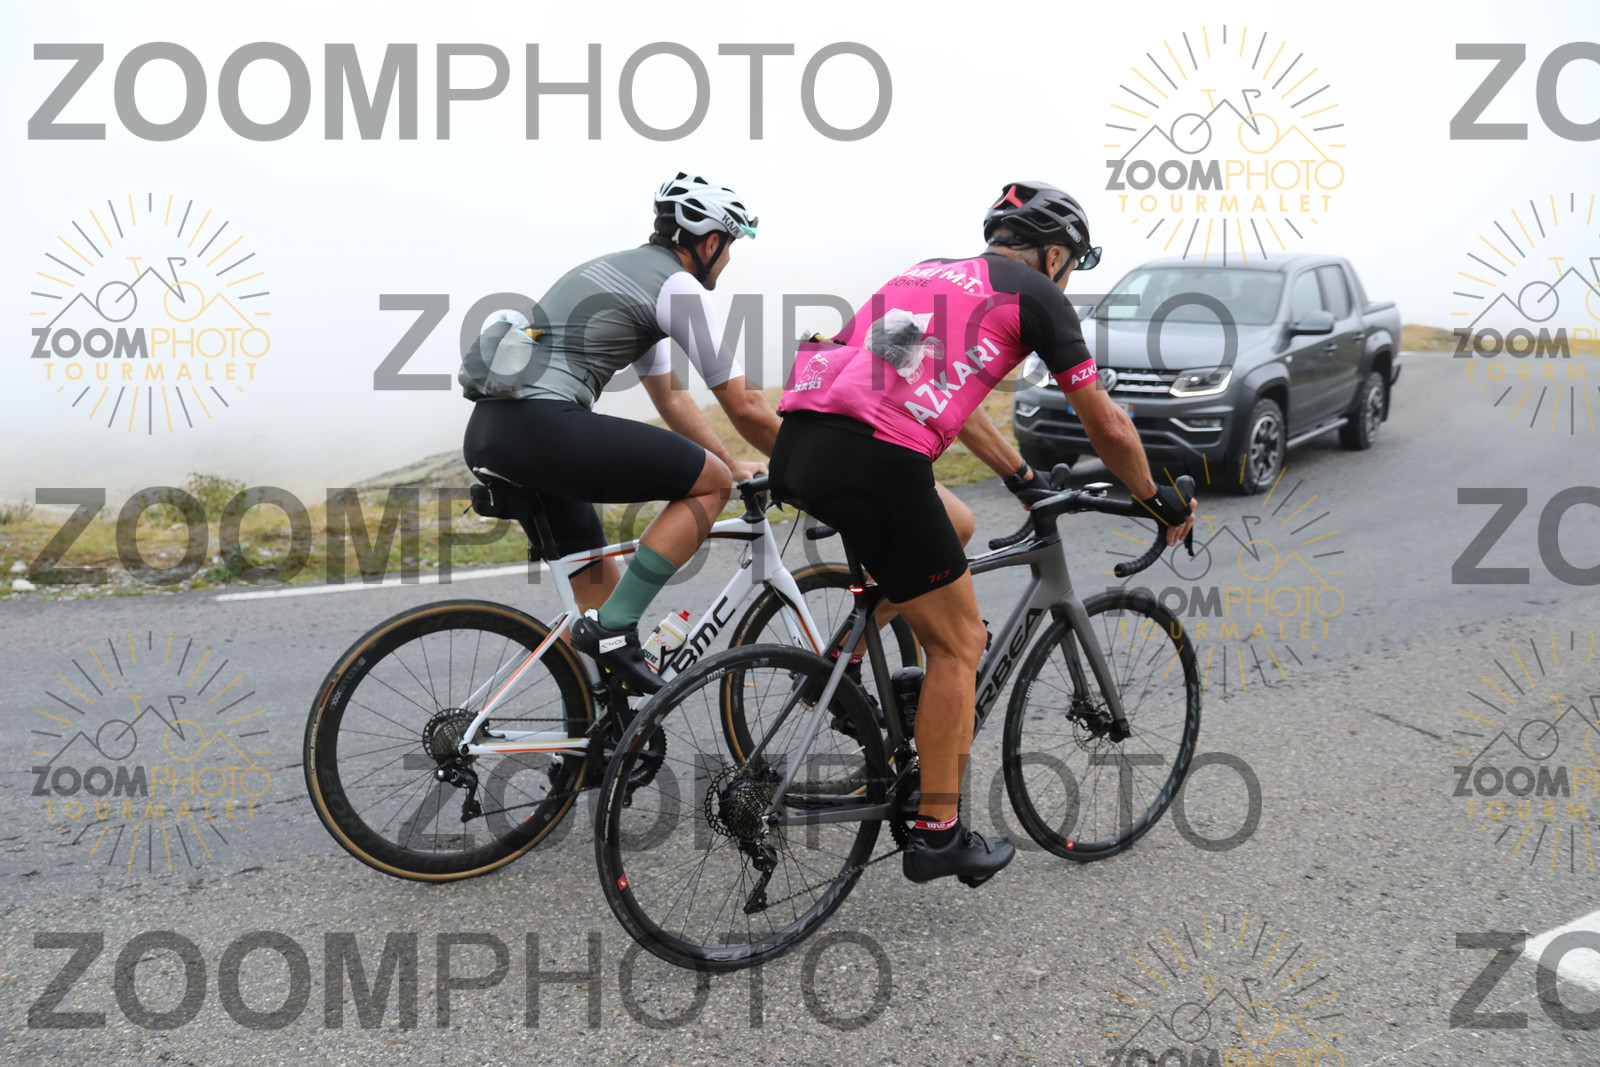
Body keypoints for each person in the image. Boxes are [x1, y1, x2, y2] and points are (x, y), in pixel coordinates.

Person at [771, 181, 1197, 885]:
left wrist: (1021, 475)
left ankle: (844, 663)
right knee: (961, 642)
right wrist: (1156, 499)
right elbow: (1106, 423)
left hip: (801, 444)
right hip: (877, 460)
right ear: (1055, 255)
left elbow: (935, 386)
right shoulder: (1039, 294)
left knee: (954, 524)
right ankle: (938, 835)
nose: (1065, 276)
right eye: (1070, 263)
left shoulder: (927, 275)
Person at [461, 173, 780, 694]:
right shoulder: (676, 287)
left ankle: (598, 725)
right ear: (709, 242)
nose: (728, 259)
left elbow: (671, 398)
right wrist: (808, 464)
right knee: (710, 487)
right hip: (542, 428)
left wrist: (732, 461)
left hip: (494, 432)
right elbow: (744, 405)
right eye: (730, 245)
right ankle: (613, 633)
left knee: (599, 606)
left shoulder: (622, 276)